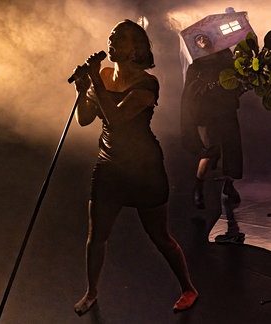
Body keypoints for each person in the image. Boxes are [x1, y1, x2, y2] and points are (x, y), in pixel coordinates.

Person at [71, 19, 198, 316]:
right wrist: (81, 90)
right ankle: (91, 291)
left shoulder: (147, 83)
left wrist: (95, 83)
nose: (112, 40)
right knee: (97, 234)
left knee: (160, 236)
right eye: (111, 35)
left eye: (120, 37)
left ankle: (189, 288)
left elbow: (116, 118)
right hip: (109, 164)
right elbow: (85, 119)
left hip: (144, 168)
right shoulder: (102, 74)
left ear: (135, 48)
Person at [180, 39, 245, 243]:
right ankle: (198, 187)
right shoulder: (196, 66)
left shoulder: (227, 59)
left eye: (206, 40)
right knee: (211, 150)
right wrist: (207, 88)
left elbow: (236, 84)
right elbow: (190, 92)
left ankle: (229, 184)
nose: (203, 43)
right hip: (206, 115)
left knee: (232, 149)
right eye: (199, 40)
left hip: (225, 112)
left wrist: (238, 86)